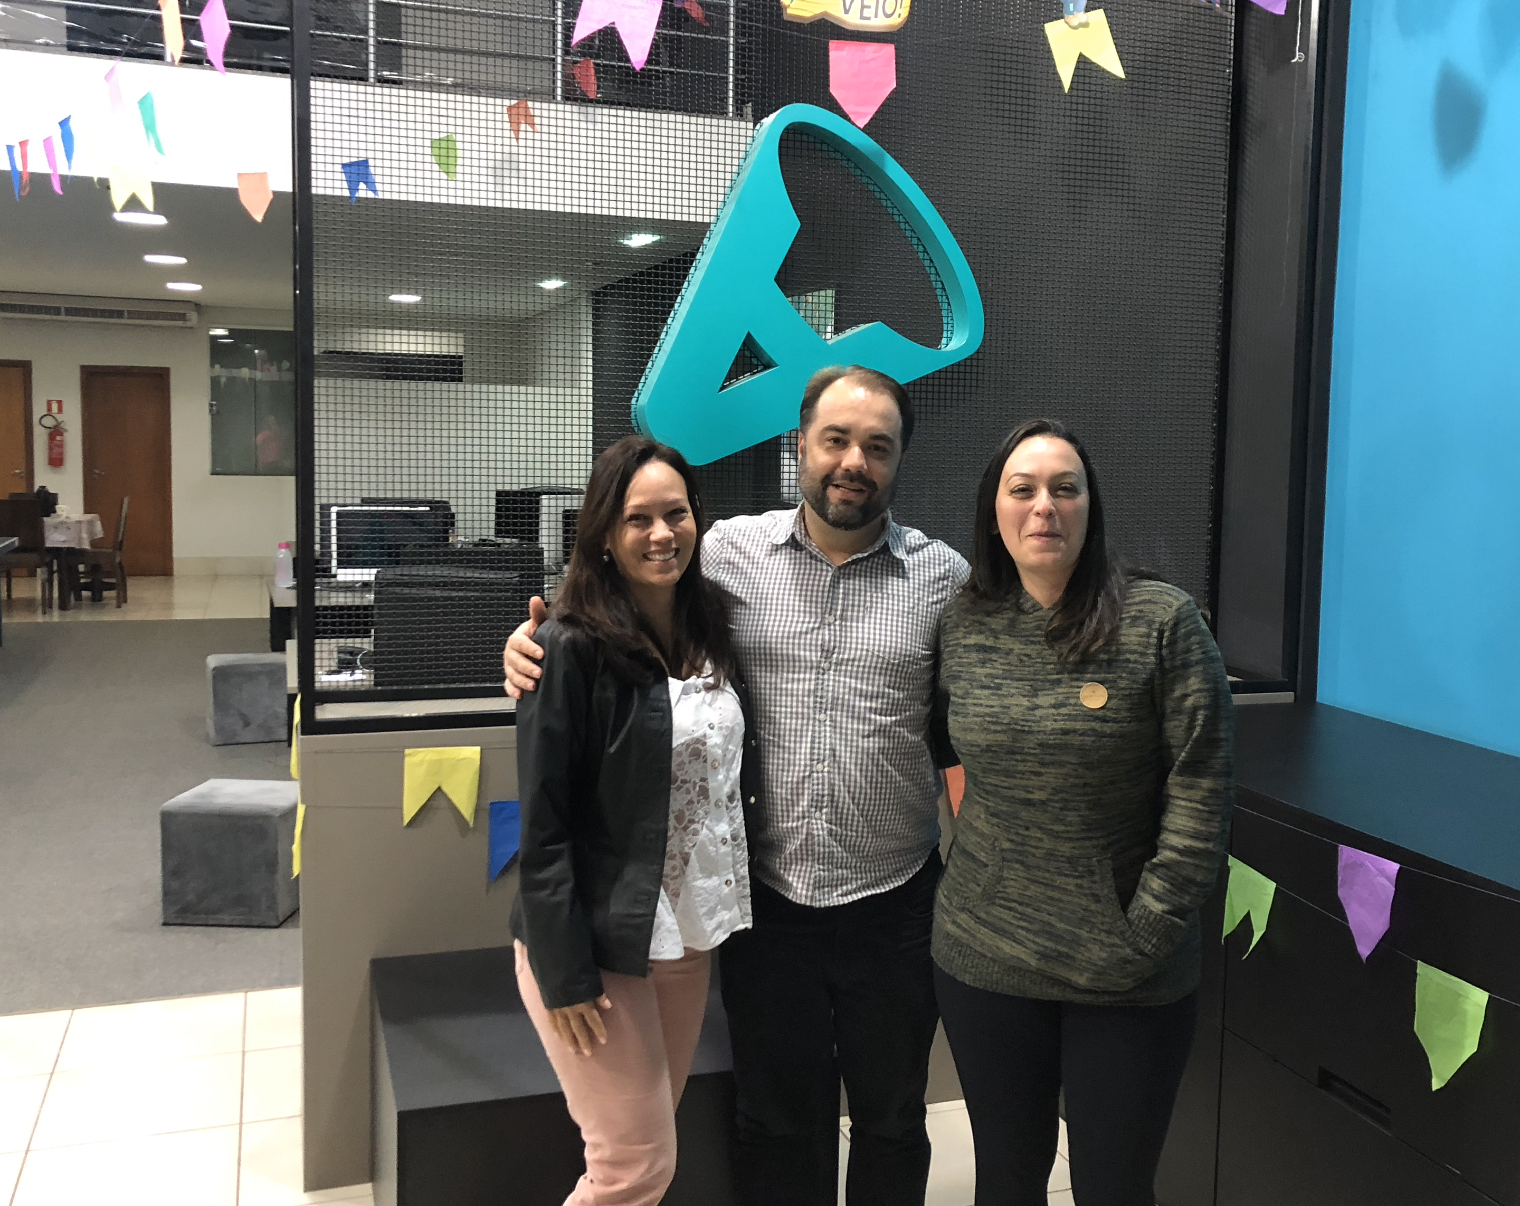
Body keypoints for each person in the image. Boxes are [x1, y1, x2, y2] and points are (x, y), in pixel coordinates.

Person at [506, 366, 969, 1206]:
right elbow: (615, 601)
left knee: (895, 1121)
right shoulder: (726, 554)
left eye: (877, 445)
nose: (852, 461)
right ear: (800, 445)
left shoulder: (945, 580)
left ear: (900, 460)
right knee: (775, 1123)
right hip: (770, 908)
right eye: (835, 439)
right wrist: (533, 642)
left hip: (897, 904)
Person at [932, 419, 1234, 1206]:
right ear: (993, 510)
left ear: (1091, 506)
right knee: (1005, 1175)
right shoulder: (963, 622)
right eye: (1022, 490)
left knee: (1114, 1186)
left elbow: (1202, 785)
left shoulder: (1161, 622)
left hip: (1127, 970)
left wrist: (1151, 928)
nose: (1044, 508)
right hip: (985, 956)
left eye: (1065, 489)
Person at [510, 435, 760, 1206]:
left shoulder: (714, 626)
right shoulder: (567, 648)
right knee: (633, 1167)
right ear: (605, 538)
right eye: (637, 519)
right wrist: (564, 972)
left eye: (676, 514)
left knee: (644, 1157)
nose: (662, 534)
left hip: (686, 928)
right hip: (599, 937)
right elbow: (544, 827)